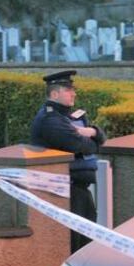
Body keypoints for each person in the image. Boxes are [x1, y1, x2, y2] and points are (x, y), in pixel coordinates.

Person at [30, 70, 107, 253]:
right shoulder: (51, 119)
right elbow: (81, 145)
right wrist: (93, 140)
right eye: (68, 90)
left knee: (86, 241)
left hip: (77, 189)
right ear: (55, 94)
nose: (74, 93)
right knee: (76, 244)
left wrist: (94, 132)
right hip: (66, 191)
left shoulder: (65, 117)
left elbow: (98, 139)